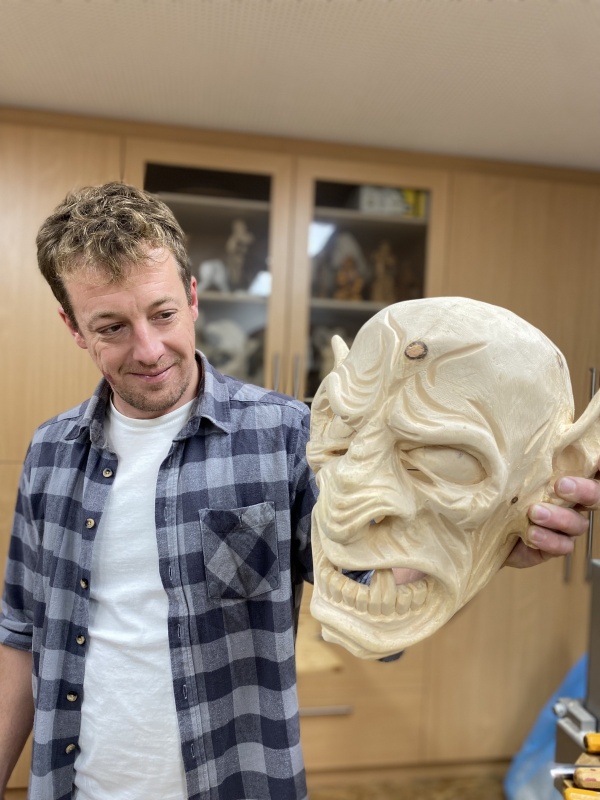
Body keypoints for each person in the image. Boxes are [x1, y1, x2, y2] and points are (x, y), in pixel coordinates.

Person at [0, 182, 593, 800]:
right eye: (112, 327)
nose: (149, 349)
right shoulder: (50, 453)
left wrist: (485, 542)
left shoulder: (287, 437)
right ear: (74, 327)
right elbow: (19, 634)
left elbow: (379, 601)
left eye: (164, 314)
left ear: (193, 297)